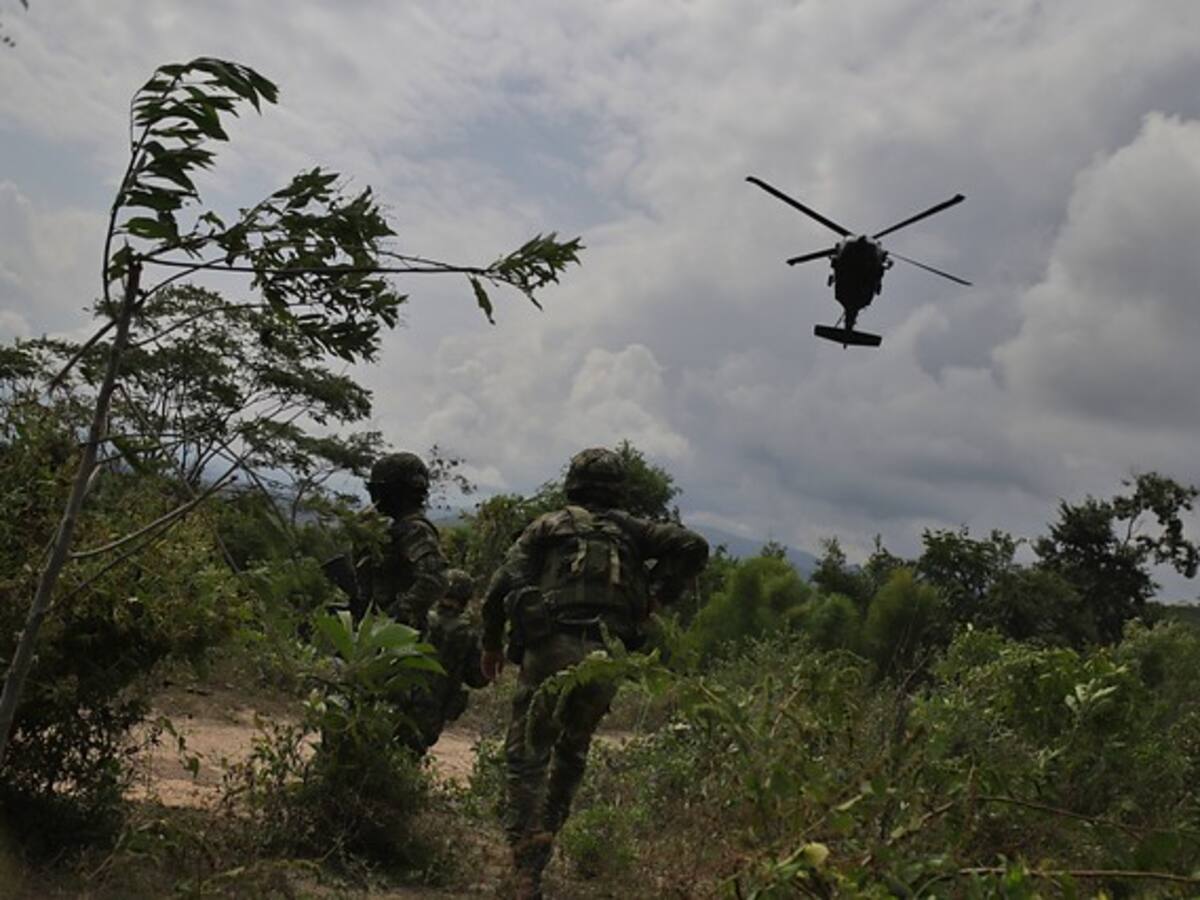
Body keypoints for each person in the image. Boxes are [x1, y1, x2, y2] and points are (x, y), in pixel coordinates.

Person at [479, 448, 708, 898]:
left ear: (573, 483)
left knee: (528, 754)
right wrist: (657, 596)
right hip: (606, 655)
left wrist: (490, 642)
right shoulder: (632, 531)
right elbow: (693, 546)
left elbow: (501, 585)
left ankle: (525, 864)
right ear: (617, 489)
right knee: (571, 753)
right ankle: (545, 838)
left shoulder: (548, 525)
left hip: (550, 648)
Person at [359, 451, 448, 630]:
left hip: (400, 636)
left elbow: (434, 580)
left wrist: (394, 616)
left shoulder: (414, 530)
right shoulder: (393, 528)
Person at [408, 568, 488, 752]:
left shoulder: (418, 618)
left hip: (402, 697)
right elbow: (478, 678)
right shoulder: (468, 633)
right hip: (433, 709)